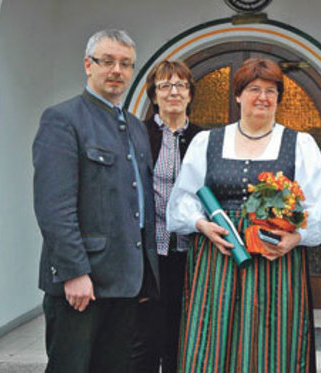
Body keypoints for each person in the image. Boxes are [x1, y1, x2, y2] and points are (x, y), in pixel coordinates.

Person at [167, 57, 321, 372]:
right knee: (212, 335)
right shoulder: (207, 141)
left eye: (271, 90)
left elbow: (316, 209)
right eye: (254, 89)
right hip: (217, 257)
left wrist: (293, 238)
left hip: (275, 259)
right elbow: (183, 199)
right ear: (238, 95)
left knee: (273, 341)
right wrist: (203, 225)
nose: (263, 97)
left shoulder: (301, 144)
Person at [33, 29, 159, 372]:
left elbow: (139, 203)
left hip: (126, 283)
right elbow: (54, 207)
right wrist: (74, 272)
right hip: (82, 284)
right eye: (108, 61)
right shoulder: (63, 119)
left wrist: (145, 275)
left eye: (126, 63)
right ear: (88, 65)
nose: (117, 70)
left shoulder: (134, 127)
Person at [130, 60, 202, 372]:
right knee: (144, 338)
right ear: (154, 95)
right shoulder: (135, 136)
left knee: (183, 336)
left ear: (189, 94)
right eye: (164, 86)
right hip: (147, 254)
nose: (173, 92)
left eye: (181, 85)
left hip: (192, 253)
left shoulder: (204, 140)